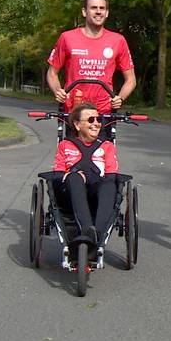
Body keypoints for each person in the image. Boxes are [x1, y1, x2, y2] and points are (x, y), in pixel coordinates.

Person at [46, 0, 136, 114]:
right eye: (94, 8)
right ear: (84, 12)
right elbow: (52, 73)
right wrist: (58, 91)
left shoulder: (118, 40)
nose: (98, 11)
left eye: (102, 8)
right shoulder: (67, 38)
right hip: (74, 110)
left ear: (107, 13)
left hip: (104, 111)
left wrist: (119, 98)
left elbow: (131, 79)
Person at [53, 103, 119, 256]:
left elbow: (111, 176)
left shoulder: (107, 146)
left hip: (97, 191)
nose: (96, 123)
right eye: (90, 119)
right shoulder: (65, 145)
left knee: (110, 185)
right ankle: (88, 230)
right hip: (69, 193)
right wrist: (73, 176)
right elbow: (57, 176)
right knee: (75, 178)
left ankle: (98, 236)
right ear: (77, 124)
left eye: (98, 119)